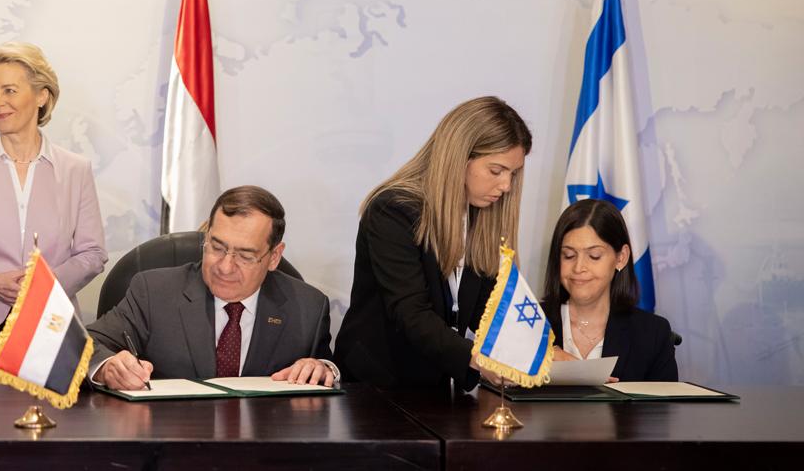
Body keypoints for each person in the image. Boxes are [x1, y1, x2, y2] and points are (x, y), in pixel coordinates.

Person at [0, 42, 107, 380]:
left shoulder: (75, 169)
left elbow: (93, 253)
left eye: (9, 90)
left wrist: (43, 287)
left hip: (52, 326)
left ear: (42, 96)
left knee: (54, 415)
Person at [334, 96, 532, 390]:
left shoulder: (481, 216)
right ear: (459, 158)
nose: (506, 186)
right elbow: (411, 313)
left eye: (513, 174)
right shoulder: (392, 210)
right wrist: (481, 360)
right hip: (374, 388)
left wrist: (541, 351)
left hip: (434, 387)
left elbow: (490, 311)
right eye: (496, 171)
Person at [88, 186, 336, 390]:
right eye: (217, 247)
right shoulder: (154, 292)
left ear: (274, 257)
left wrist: (322, 369)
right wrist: (106, 366)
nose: (225, 267)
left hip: (266, 434)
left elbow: (327, 369)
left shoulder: (308, 308)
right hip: (170, 430)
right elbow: (85, 344)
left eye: (245, 256)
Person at [542, 198, 678, 381]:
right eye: (569, 255)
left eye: (594, 256)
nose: (578, 268)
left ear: (621, 258)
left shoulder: (653, 333)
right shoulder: (526, 323)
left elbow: (665, 400)